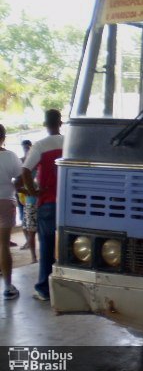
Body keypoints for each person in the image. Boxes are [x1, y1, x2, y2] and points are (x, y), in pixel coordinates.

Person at [22, 110, 64, 301]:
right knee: (68, 247)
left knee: (46, 246)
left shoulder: (40, 145)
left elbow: (25, 170)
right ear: (60, 123)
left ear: (45, 123)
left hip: (47, 202)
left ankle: (44, 289)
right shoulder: (70, 143)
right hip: (69, 205)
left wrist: (32, 192)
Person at [0, 124, 23, 300]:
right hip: (6, 202)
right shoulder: (10, 156)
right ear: (3, 137)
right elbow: (20, 177)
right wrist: (14, 188)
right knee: (4, 245)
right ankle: (8, 287)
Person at [17, 140, 34, 252]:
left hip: (30, 196)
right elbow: (16, 179)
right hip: (22, 194)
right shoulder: (20, 161)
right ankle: (28, 241)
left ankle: (29, 242)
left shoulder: (33, 161)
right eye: (24, 148)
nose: (26, 150)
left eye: (27, 147)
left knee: (28, 223)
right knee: (23, 220)